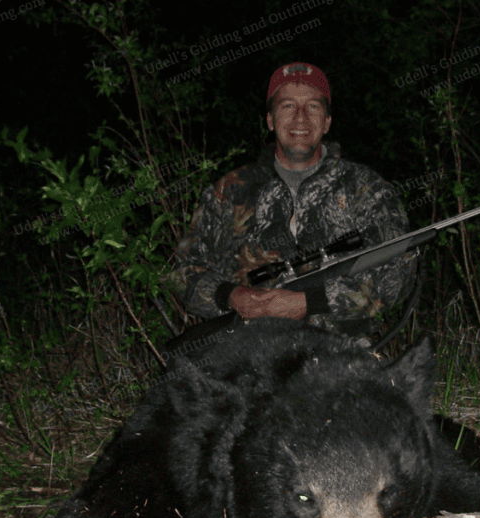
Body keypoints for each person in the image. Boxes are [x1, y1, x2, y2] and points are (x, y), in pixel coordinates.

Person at [173, 62, 418, 341]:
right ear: (269, 120)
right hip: (247, 349)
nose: (300, 117)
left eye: (313, 106)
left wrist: (309, 302)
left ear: (327, 121)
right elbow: (183, 271)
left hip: (341, 351)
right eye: (287, 105)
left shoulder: (366, 188)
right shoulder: (229, 190)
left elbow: (400, 271)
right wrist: (231, 295)